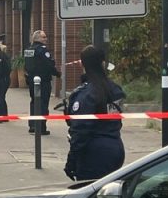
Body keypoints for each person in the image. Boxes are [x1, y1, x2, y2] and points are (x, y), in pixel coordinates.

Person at [64, 45, 126, 181]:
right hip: (115, 148)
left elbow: (80, 131)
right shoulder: (115, 89)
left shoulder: (85, 94)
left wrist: (71, 160)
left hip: (93, 154)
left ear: (82, 64)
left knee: (89, 197)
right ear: (103, 63)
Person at [24, 29, 60, 134]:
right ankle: (41, 128)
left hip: (31, 81)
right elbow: (49, 64)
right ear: (37, 38)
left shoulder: (29, 50)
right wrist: (57, 73)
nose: (46, 39)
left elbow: (27, 66)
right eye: (43, 37)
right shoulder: (42, 50)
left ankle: (32, 125)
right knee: (43, 104)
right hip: (43, 81)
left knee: (34, 102)